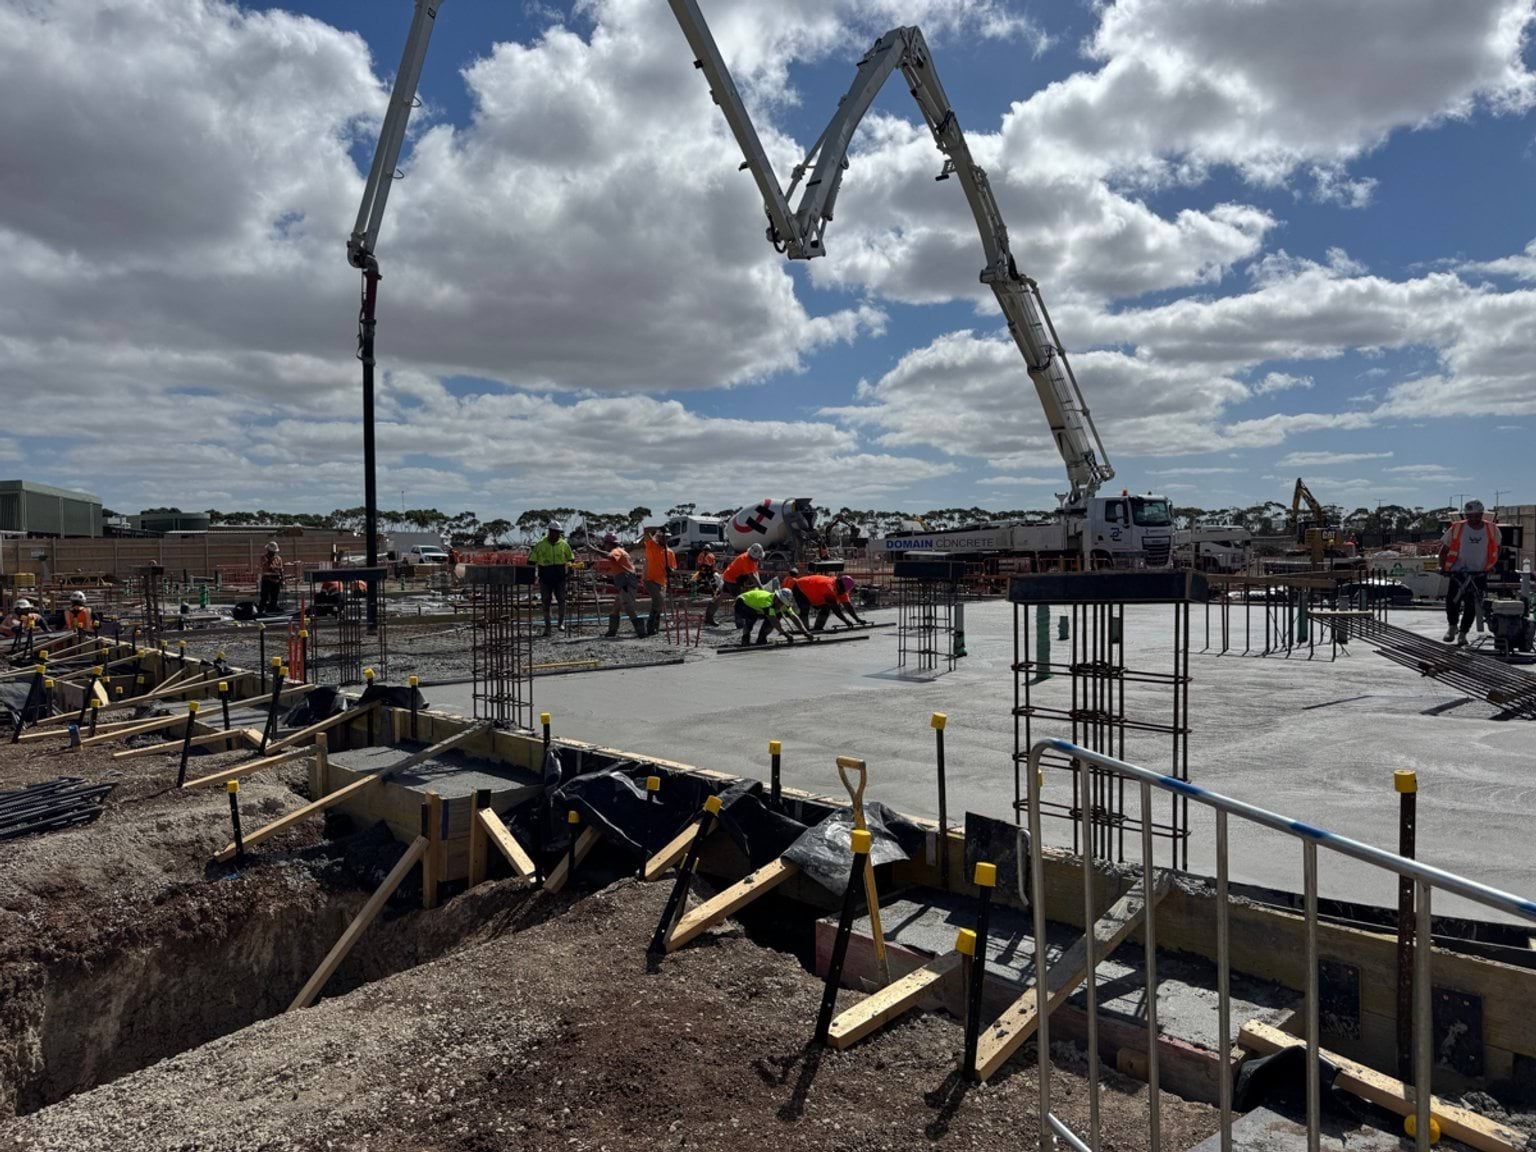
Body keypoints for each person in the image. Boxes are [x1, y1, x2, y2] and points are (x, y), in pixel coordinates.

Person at [1439, 499, 1501, 645]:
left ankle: (1463, 633)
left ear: (1482, 514)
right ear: (1466, 515)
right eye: (1470, 516)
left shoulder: (1491, 529)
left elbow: (1497, 547)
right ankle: (1452, 627)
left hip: (1479, 572)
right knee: (1452, 601)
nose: (1473, 519)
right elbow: (1444, 549)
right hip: (1457, 572)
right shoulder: (1457, 528)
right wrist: (1443, 567)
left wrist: (1492, 564)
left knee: (1472, 604)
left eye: (1477, 516)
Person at [529, 521, 574, 636]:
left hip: (560, 577)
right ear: (550, 532)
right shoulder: (540, 544)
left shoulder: (564, 544)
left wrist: (570, 570)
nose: (558, 535)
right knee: (546, 602)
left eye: (559, 533)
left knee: (562, 600)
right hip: (545, 577)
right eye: (556, 532)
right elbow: (531, 560)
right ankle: (547, 628)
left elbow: (570, 558)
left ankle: (561, 623)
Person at [599, 533, 646, 639]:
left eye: (605, 544)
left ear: (609, 543)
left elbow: (607, 556)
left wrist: (593, 549)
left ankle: (641, 631)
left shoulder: (616, 551)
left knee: (628, 608)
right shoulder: (622, 551)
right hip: (626, 582)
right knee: (616, 608)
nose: (605, 546)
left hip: (626, 582)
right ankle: (612, 631)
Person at [706, 543, 764, 626]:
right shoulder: (745, 560)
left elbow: (755, 572)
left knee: (721, 596)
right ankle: (739, 622)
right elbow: (752, 576)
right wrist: (761, 588)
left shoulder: (753, 559)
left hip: (730, 577)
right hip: (732, 580)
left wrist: (760, 585)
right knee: (741, 599)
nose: (758, 560)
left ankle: (708, 617)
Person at [792, 573, 866, 631]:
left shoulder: (841, 590)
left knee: (826, 607)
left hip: (814, 592)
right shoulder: (829, 587)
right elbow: (835, 609)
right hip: (800, 587)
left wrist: (857, 619)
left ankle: (818, 627)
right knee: (805, 608)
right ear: (840, 586)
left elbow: (848, 606)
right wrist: (846, 621)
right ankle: (803, 629)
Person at [642, 525, 677, 637]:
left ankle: (654, 628)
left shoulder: (670, 552)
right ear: (659, 537)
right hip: (650, 579)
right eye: (663, 537)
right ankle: (650, 626)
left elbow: (673, 568)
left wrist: (670, 570)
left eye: (667, 537)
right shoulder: (651, 546)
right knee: (658, 601)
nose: (665, 539)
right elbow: (646, 532)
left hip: (662, 581)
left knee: (658, 604)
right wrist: (658, 529)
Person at [258, 541, 284, 615]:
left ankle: (271, 611)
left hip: (276, 581)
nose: (273, 553)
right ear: (268, 551)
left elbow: (281, 569)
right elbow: (267, 567)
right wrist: (272, 564)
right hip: (267, 580)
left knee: (274, 598)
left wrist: (282, 579)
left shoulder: (278, 558)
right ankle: (260, 612)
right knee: (264, 597)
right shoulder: (264, 558)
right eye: (272, 552)